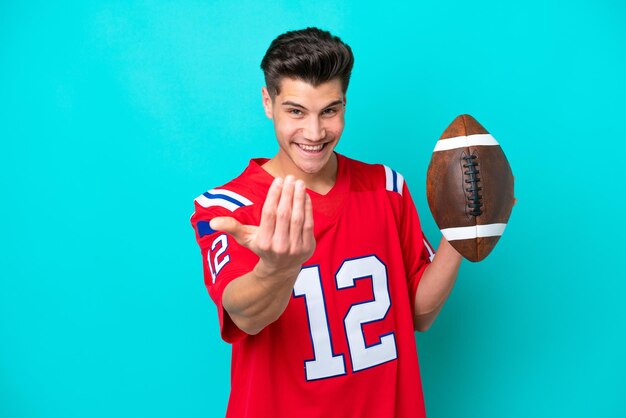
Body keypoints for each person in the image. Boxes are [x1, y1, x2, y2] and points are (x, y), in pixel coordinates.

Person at [191, 27, 462, 418]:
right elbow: (245, 317)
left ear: (345, 104)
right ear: (268, 102)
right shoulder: (226, 208)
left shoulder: (386, 188)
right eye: (296, 111)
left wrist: (460, 235)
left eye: (329, 111)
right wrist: (276, 269)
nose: (315, 133)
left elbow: (418, 314)